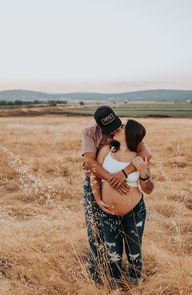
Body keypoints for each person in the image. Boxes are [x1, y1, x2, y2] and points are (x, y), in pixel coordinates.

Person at [81, 106, 152, 284]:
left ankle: (133, 280)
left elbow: (146, 154)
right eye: (111, 129)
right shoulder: (91, 134)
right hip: (101, 196)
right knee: (96, 235)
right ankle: (98, 276)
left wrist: (124, 175)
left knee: (133, 248)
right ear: (99, 127)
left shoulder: (128, 132)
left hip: (133, 209)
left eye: (117, 126)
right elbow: (90, 164)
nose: (115, 131)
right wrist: (110, 182)